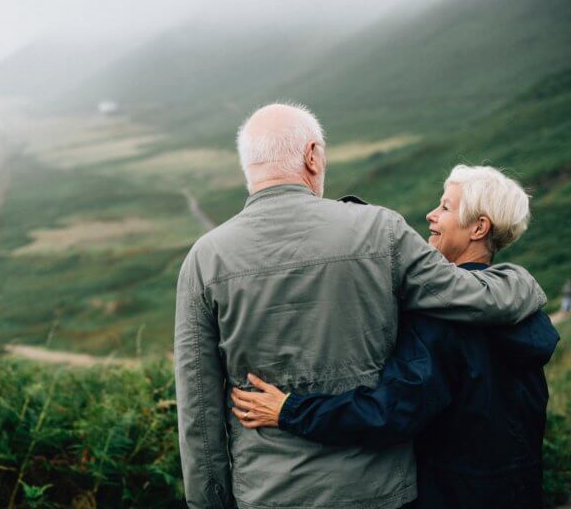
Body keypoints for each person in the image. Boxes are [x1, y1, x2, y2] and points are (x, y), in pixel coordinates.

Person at [174, 103, 547, 509]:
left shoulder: (204, 259)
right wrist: (521, 281)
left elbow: (199, 411)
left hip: (267, 494)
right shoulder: (381, 231)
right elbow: (472, 296)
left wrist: (208, 502)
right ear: (312, 155)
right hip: (381, 492)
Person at [230, 165, 559, 508]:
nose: (431, 215)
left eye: (446, 207)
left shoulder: (443, 320)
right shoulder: (523, 311)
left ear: (479, 227)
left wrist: (290, 410)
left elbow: (390, 413)